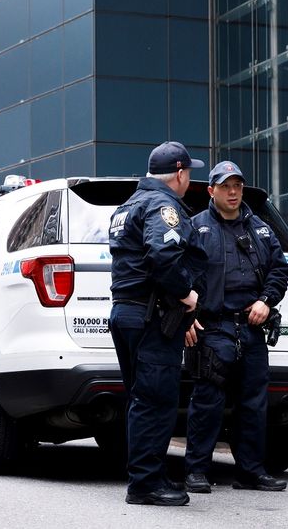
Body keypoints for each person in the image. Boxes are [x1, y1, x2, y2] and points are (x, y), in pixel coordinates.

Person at [109, 141, 207, 507]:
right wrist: (187, 294)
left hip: (127, 312)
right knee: (155, 400)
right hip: (150, 317)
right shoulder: (162, 205)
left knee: (142, 399)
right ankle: (145, 484)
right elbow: (163, 254)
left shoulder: (128, 205)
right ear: (179, 173)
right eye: (189, 172)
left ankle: (148, 475)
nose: (189, 179)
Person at [183, 160, 288, 494]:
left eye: (237, 186)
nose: (233, 192)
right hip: (213, 328)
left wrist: (266, 301)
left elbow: (279, 270)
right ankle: (196, 471)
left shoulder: (260, 228)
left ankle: (250, 472)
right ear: (211, 190)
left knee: (254, 403)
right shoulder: (195, 227)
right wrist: (186, 314)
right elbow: (179, 273)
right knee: (207, 403)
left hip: (251, 329)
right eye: (226, 186)